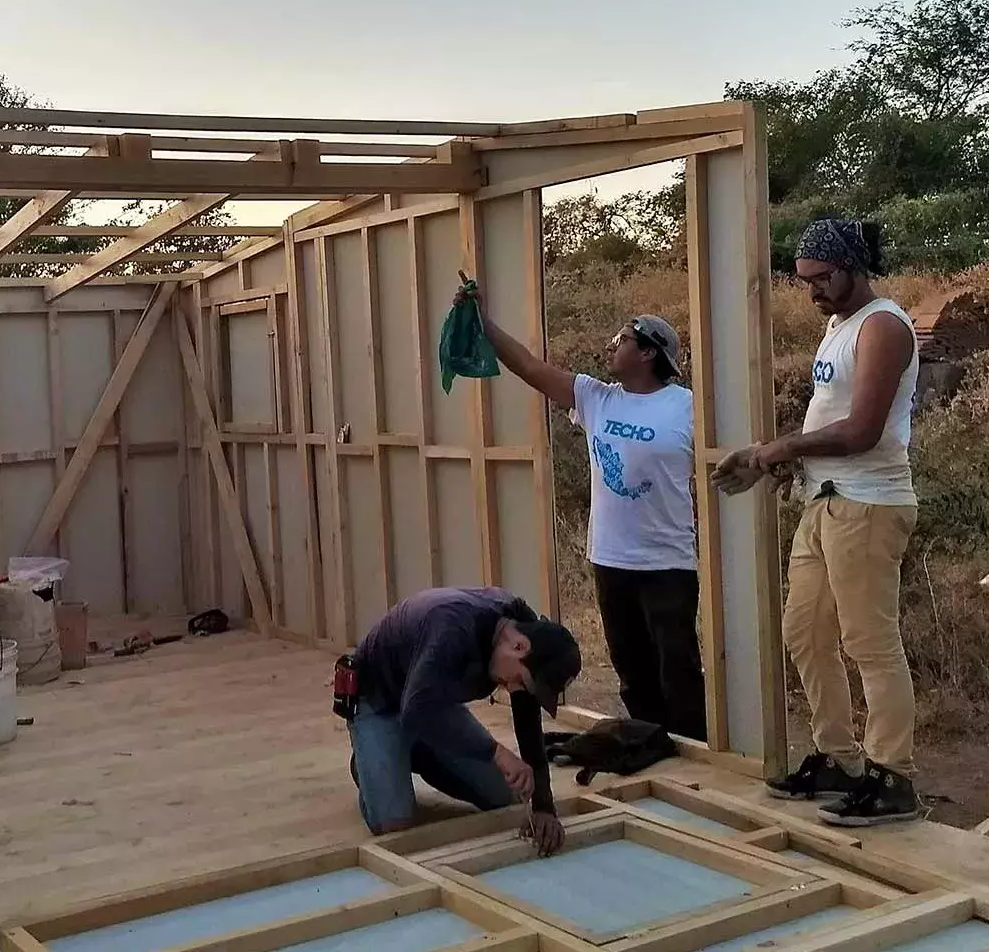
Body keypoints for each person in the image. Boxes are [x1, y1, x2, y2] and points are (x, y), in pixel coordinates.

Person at [744, 218, 923, 827]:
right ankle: (839, 759)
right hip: (826, 499)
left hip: (869, 501)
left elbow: (862, 430)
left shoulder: (883, 326)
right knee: (806, 633)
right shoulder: (839, 325)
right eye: (805, 282)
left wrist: (781, 448)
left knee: (869, 642)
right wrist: (788, 457)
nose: (814, 291)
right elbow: (832, 413)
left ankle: (892, 775)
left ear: (852, 268)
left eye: (822, 279)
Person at [470, 286, 705, 740]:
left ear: (649, 352)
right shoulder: (598, 397)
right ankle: (647, 742)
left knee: (677, 667)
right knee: (631, 666)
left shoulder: (686, 406)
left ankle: (693, 749)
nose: (610, 347)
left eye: (621, 341)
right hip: (611, 559)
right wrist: (485, 324)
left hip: (667, 562)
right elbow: (530, 368)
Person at [344, 587, 583, 855]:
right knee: (395, 825)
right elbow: (417, 708)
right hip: (380, 702)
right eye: (520, 681)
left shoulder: (523, 631)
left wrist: (543, 805)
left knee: (506, 795)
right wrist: (495, 751)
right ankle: (366, 763)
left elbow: (529, 724)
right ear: (518, 646)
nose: (514, 689)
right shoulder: (452, 627)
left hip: (432, 702)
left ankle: (415, 752)